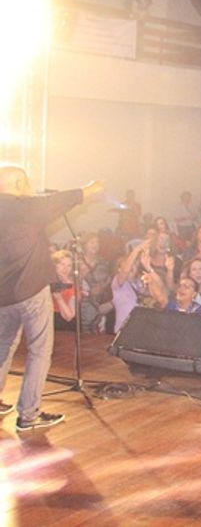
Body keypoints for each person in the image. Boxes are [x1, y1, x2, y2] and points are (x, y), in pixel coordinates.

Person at [0, 165, 103, 431]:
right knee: (39, 350)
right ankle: (29, 415)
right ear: (19, 184)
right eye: (26, 183)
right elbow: (58, 201)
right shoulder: (25, 208)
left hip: (3, 295)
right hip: (31, 291)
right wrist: (89, 189)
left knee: (3, 346)